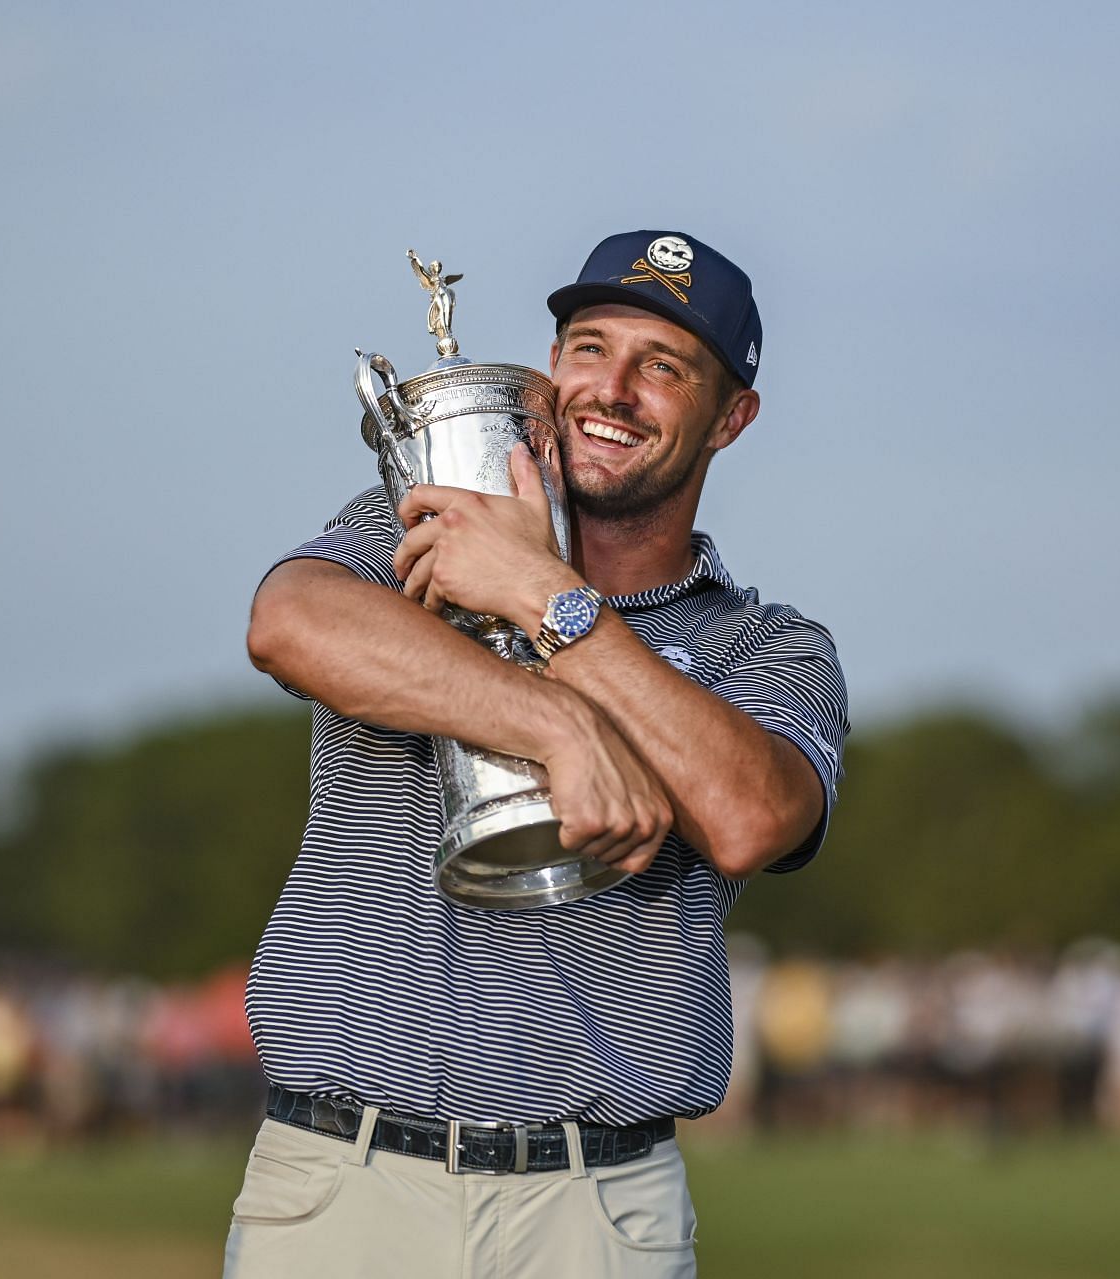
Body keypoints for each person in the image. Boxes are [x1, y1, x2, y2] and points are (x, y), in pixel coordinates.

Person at [227, 229, 849, 1277]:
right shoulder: (417, 520)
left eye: (662, 366)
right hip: (345, 1185)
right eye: (588, 348)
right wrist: (558, 724)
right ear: (552, 368)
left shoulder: (766, 645)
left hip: (595, 1211)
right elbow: (289, 623)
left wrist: (546, 600)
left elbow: (749, 815)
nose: (612, 389)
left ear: (731, 416)